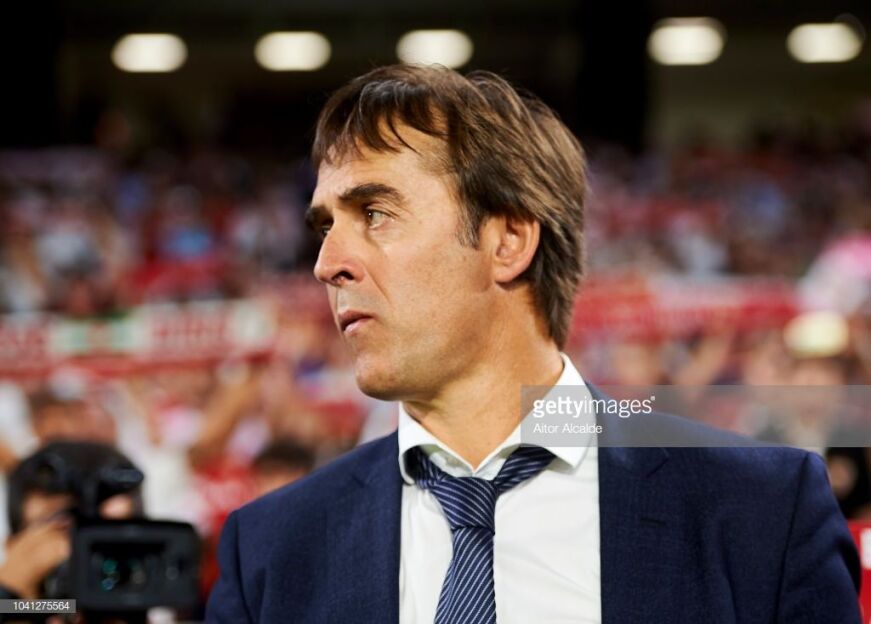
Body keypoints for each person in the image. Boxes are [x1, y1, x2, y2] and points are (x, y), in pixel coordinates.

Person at [205, 65, 860, 623]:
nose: (326, 264)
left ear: (508, 241)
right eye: (325, 226)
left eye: (374, 214)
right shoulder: (269, 551)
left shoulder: (761, 512)